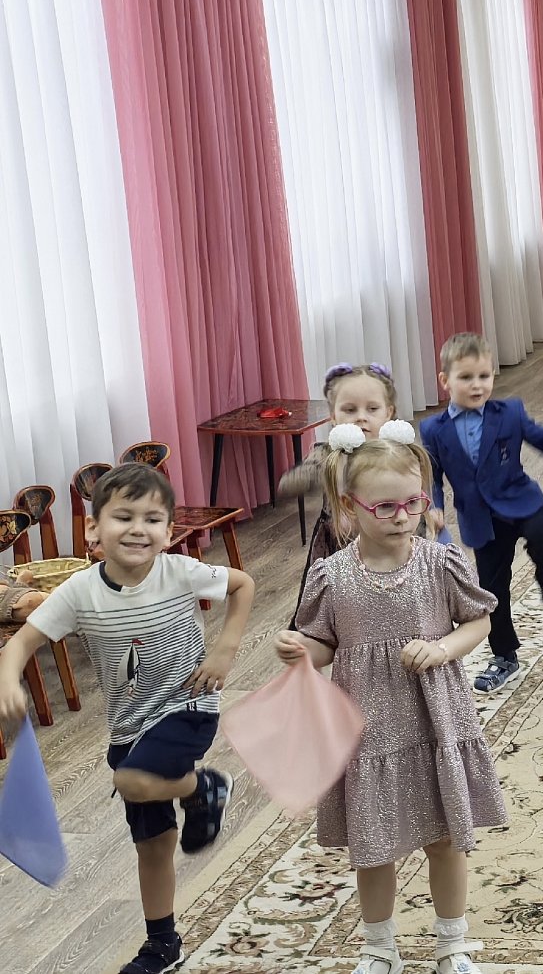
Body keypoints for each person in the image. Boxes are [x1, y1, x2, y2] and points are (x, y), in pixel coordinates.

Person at [0, 463, 255, 974]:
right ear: (94, 530)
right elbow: (21, 643)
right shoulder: (78, 592)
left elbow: (243, 584)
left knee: (131, 781)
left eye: (152, 519)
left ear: (168, 530)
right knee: (152, 845)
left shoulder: (180, 571)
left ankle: (203, 787)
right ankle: (163, 944)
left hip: (187, 704)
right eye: (124, 517)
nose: (139, 529)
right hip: (128, 727)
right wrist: (8, 682)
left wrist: (225, 650)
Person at [277, 430, 506, 974]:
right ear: (349, 507)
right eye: (385, 507)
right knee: (374, 847)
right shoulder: (332, 576)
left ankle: (452, 945)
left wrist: (442, 648)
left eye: (413, 502)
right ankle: (379, 949)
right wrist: (299, 651)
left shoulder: (440, 563)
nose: (402, 517)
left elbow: (479, 622)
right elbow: (323, 645)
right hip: (369, 732)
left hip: (435, 723)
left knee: (445, 840)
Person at [421, 332, 543, 695]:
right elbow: (431, 475)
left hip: (520, 500)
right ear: (445, 380)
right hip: (480, 518)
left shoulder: (510, 413)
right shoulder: (433, 430)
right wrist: (434, 506)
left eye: (484, 376)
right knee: (492, 591)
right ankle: (504, 656)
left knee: (542, 534)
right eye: (466, 377)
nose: (477, 385)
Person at [278, 362, 443, 618]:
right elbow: (288, 484)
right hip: (340, 546)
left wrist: (426, 516)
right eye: (350, 410)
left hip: (392, 542)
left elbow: (414, 493)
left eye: (372, 409)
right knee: (342, 610)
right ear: (333, 416)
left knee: (399, 600)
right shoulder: (327, 454)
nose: (361, 417)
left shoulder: (395, 453)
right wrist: (323, 471)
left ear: (389, 413)